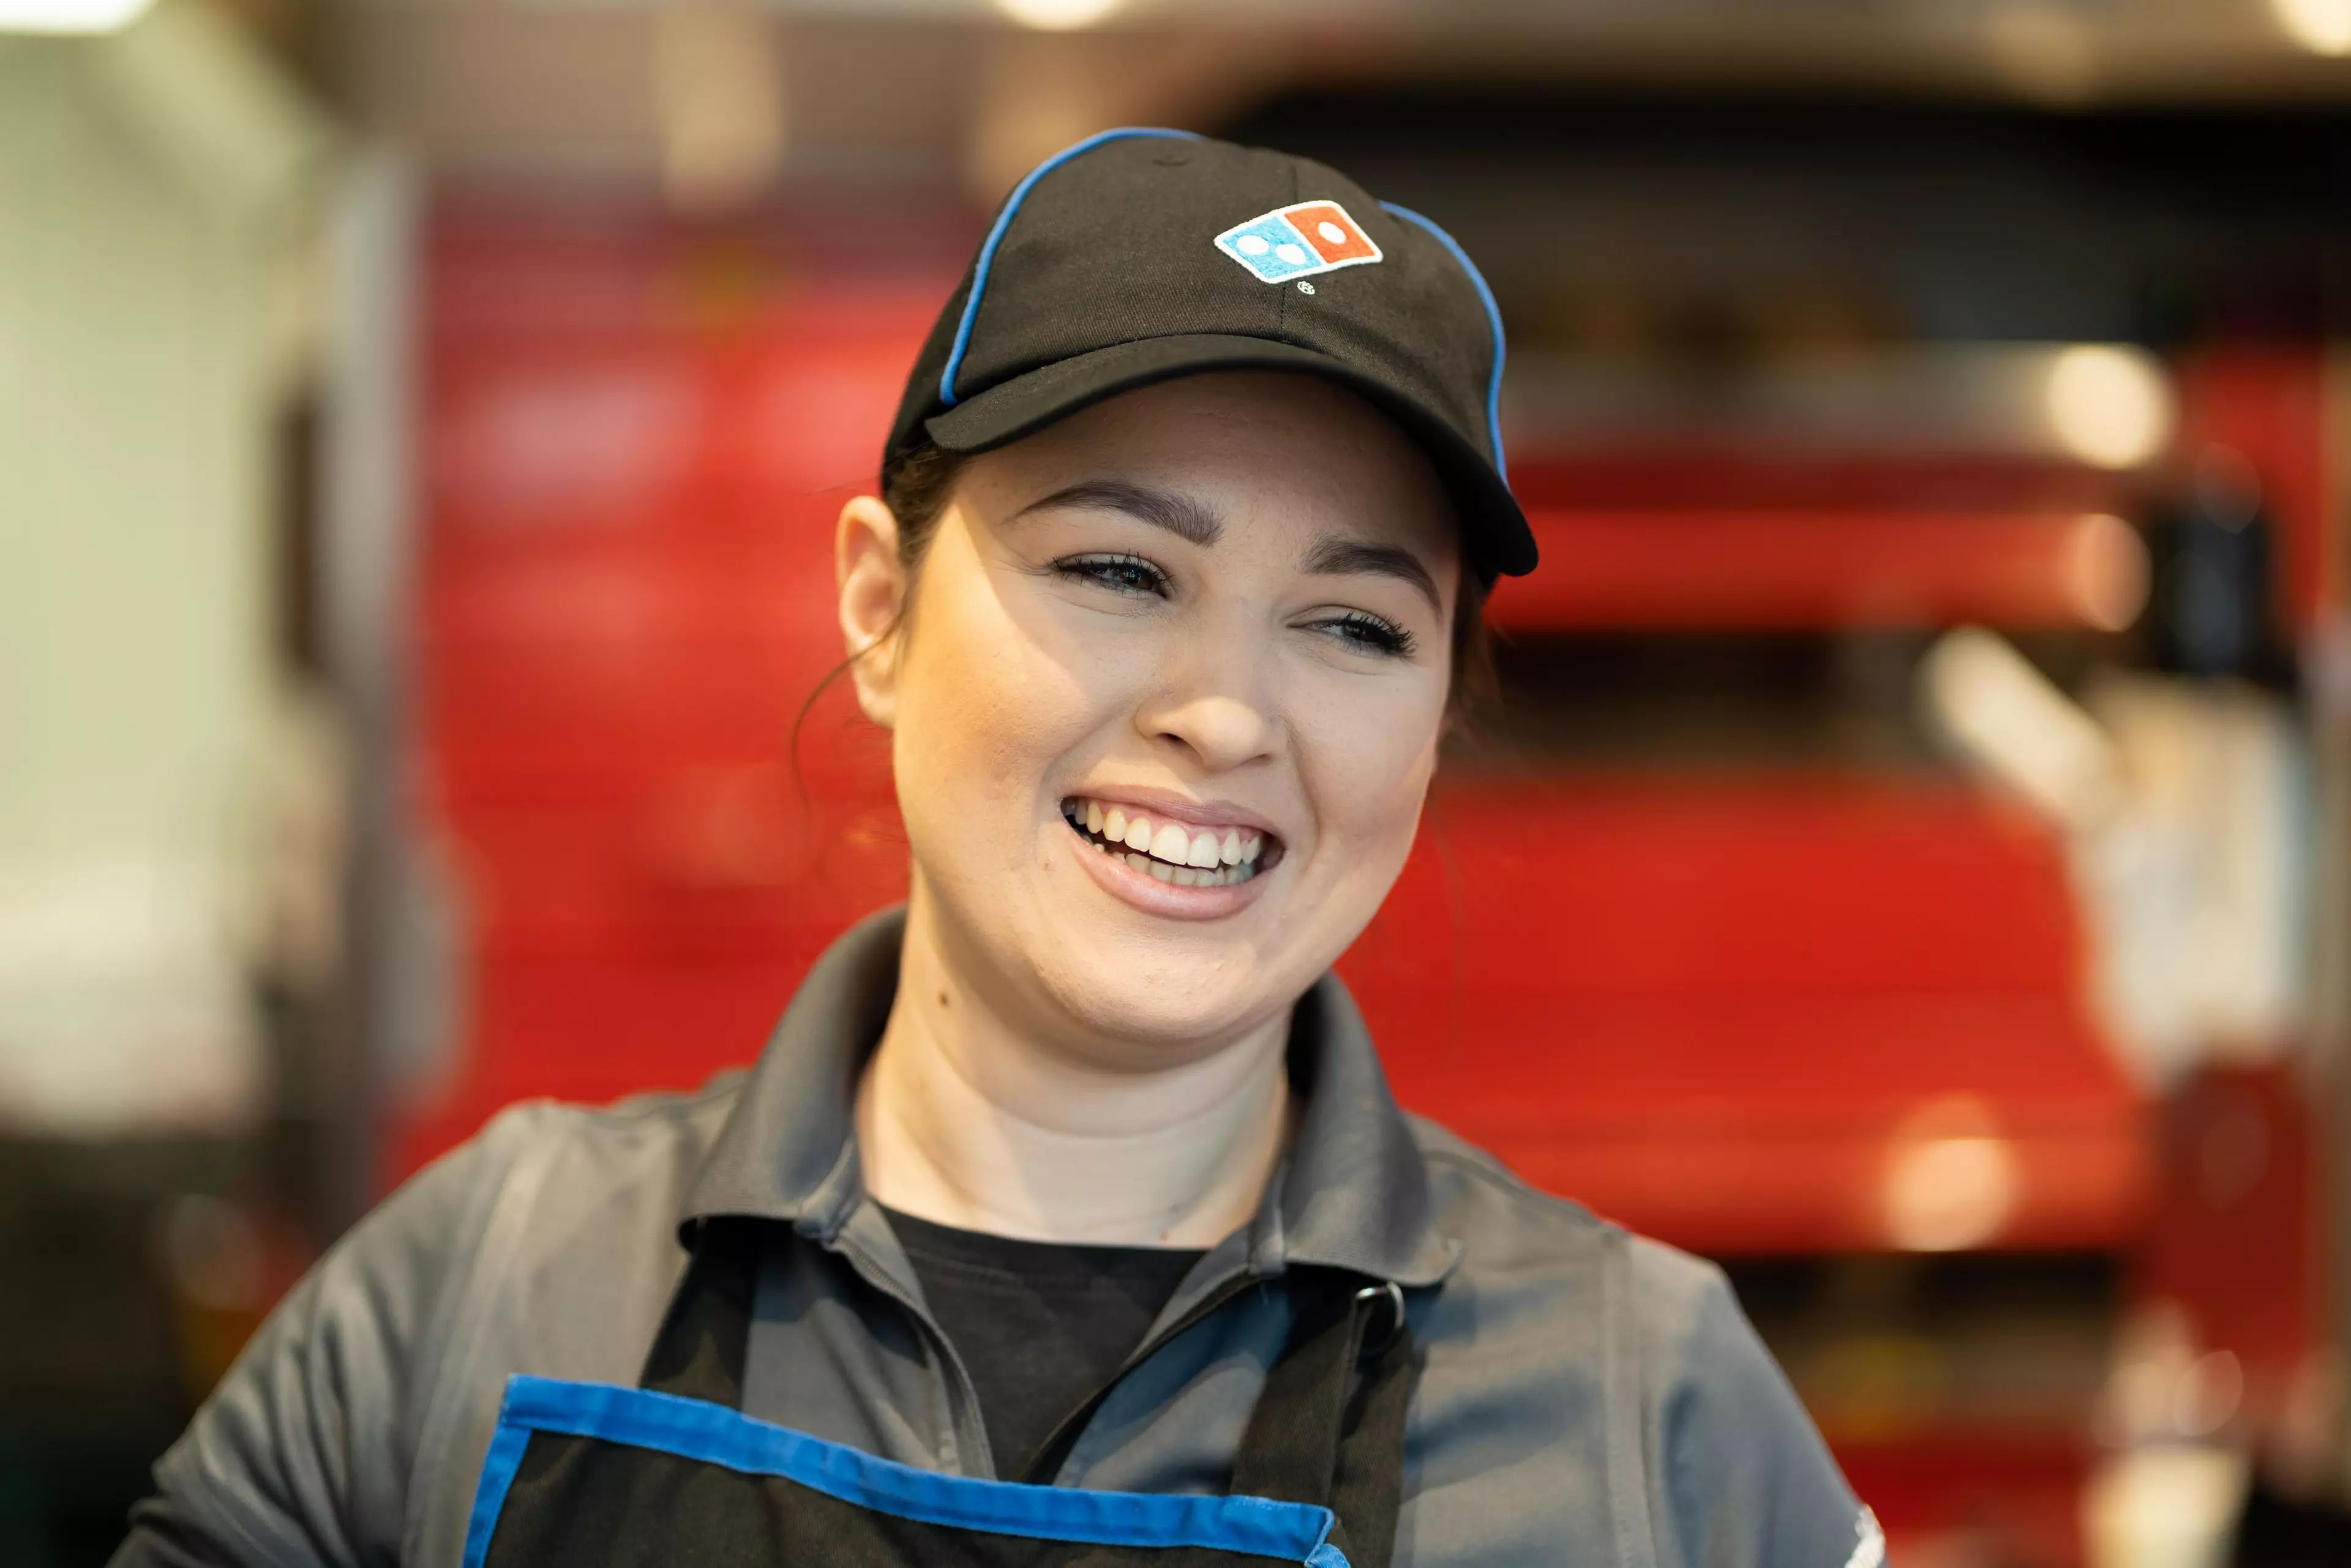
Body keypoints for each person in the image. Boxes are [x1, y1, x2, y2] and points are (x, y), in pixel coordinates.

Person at [111, 131, 1879, 1568]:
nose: (1226, 713)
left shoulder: (1656, 1418)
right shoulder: (484, 1288)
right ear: (879, 608)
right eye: (1118, 570)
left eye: (1354, 624)